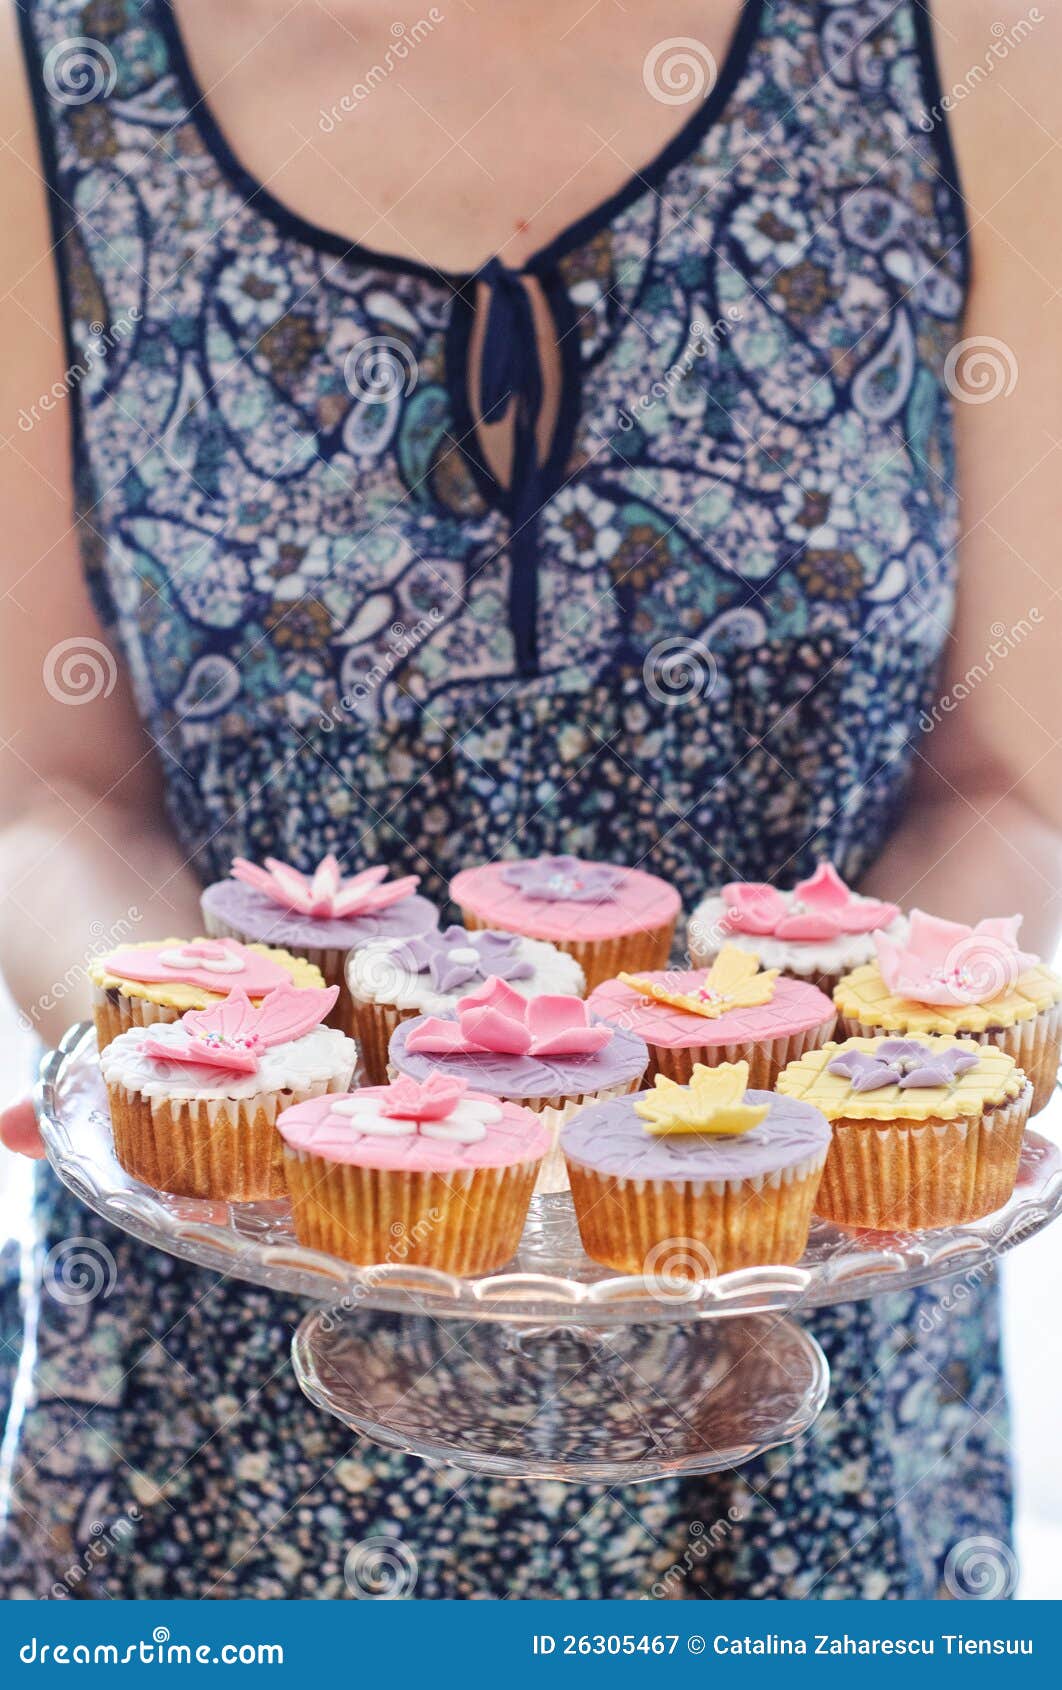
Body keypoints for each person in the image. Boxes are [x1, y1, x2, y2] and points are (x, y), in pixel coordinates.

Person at [0, 0, 1059, 1599]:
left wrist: (837, 1103)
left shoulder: (979, 50)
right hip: (230, 1420)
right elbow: (44, 793)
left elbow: (1009, 786)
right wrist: (208, 1067)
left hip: (806, 1410)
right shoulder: (53, 67)